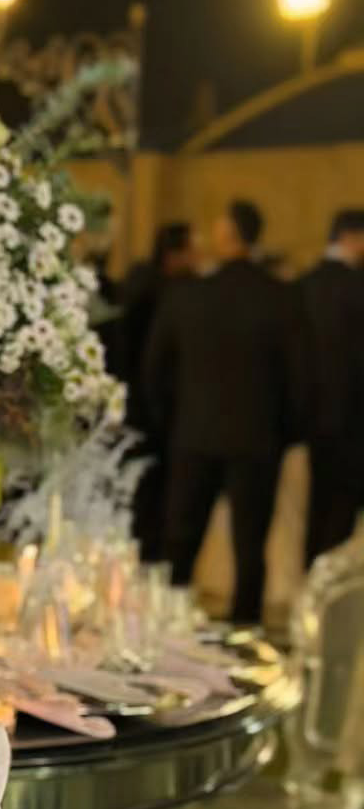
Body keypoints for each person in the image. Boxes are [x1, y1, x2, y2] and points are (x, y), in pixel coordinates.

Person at [144, 199, 301, 622]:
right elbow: (301, 376)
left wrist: (171, 423)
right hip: (257, 439)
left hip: (193, 435)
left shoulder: (189, 295)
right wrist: (283, 433)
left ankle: (170, 621)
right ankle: (245, 629)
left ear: (224, 235)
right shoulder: (280, 297)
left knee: (181, 539)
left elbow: (154, 370)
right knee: (250, 546)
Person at [113, 222, 199, 557]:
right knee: (153, 496)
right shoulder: (169, 294)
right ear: (176, 254)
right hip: (155, 410)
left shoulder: (137, 285)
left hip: (131, 405)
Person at [300, 208, 364, 561]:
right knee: (341, 514)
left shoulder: (303, 285)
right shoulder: (358, 287)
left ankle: (312, 580)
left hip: (311, 418)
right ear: (353, 237)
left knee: (317, 508)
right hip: (354, 420)